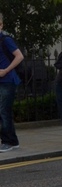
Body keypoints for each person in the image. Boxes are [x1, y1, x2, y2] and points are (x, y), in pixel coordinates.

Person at [0, 13, 24, 153]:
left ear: (1, 25)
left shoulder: (5, 40)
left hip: (8, 81)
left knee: (4, 111)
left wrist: (5, 70)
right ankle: (13, 141)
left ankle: (8, 142)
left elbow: (19, 56)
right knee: (3, 111)